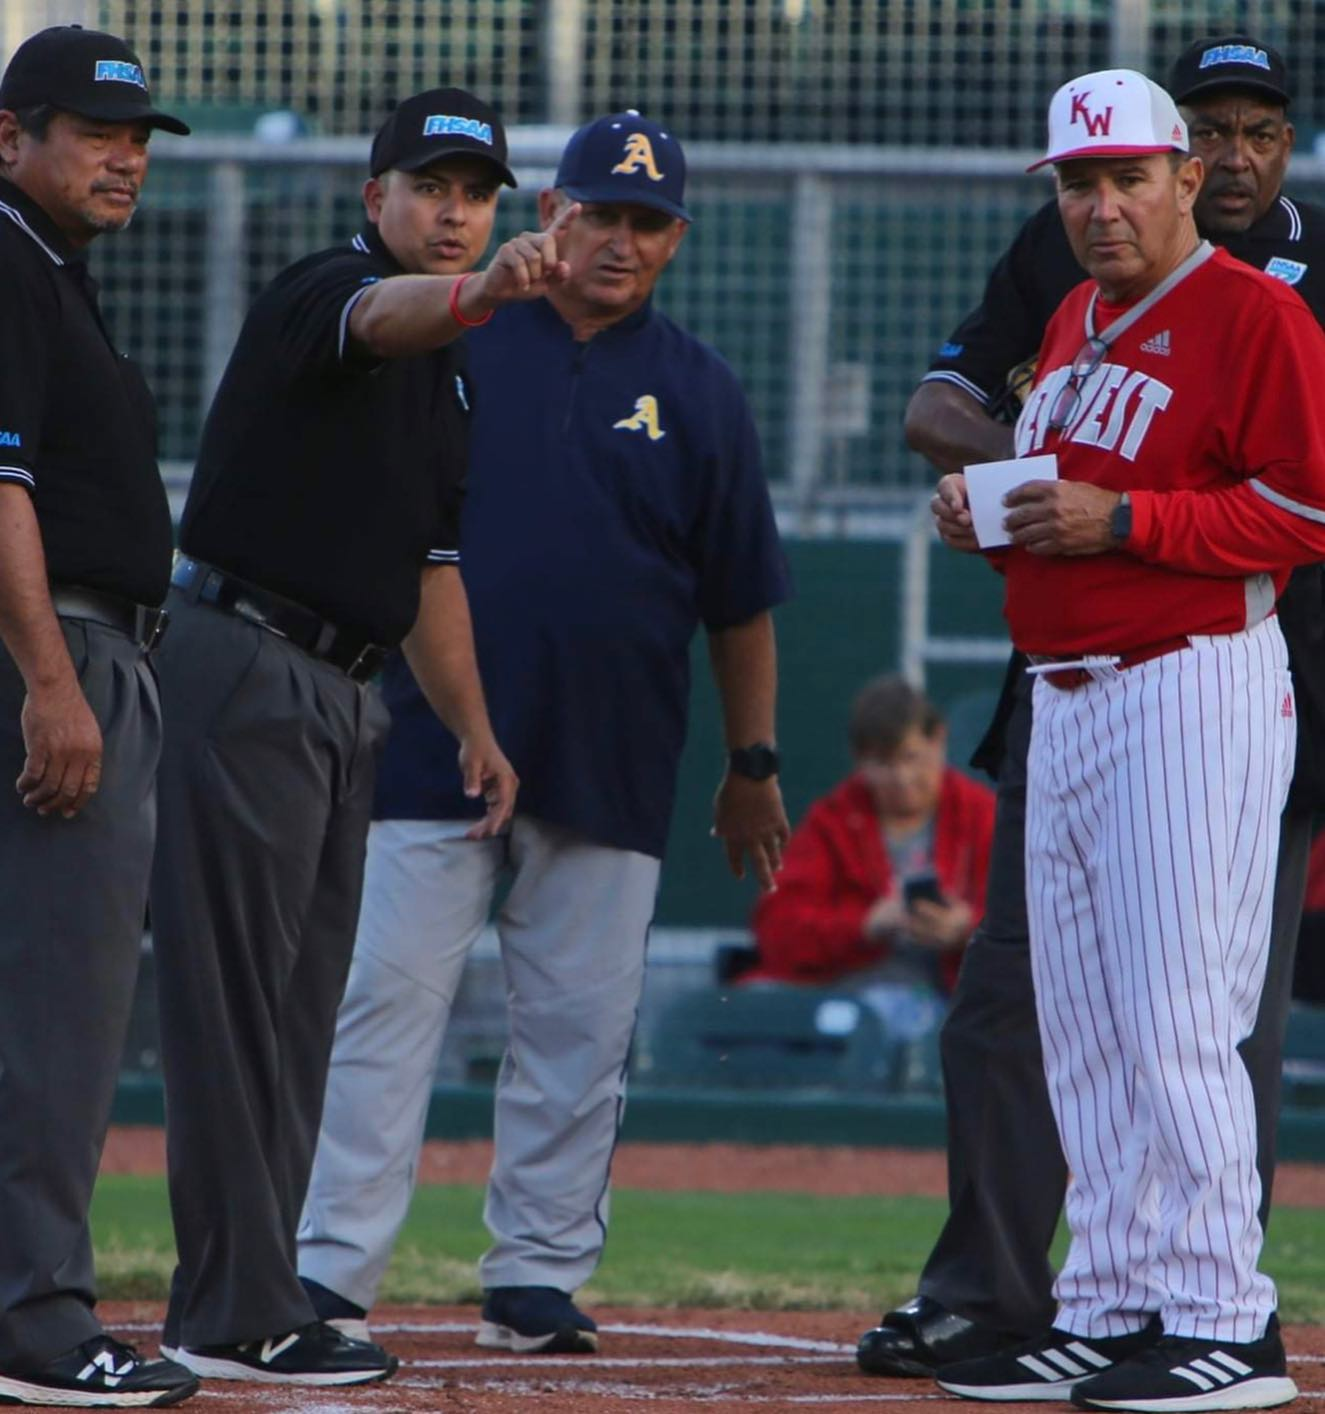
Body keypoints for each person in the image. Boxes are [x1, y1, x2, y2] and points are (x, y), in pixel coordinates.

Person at [859, 34, 1325, 1379]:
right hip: (1066, 696)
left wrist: (1118, 513)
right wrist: (986, 511)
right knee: (1083, 1025)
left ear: (1185, 178)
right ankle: (1110, 1305)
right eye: (1075, 182)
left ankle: (1223, 1316)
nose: (1097, 205)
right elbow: (1062, 510)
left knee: (1178, 1017)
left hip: (1189, 684)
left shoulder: (1257, 315)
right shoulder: (1070, 320)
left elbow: (1302, 505)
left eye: (1124, 176)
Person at [295, 111, 791, 1358]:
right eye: (597, 212)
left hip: (613, 751)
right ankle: (328, 1266)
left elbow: (739, 603)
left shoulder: (701, 389)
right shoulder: (454, 339)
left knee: (576, 1031)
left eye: (645, 220)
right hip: (423, 741)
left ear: (674, 237)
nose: (618, 239)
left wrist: (752, 763)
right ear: (550, 216)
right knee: (381, 1007)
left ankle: (533, 1270)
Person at [148, 88, 579, 1386]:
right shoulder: (331, 290)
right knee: (240, 1006)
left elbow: (429, 565)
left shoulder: (450, 368)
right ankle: (227, 1307)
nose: (454, 211)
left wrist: (475, 726)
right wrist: (482, 292)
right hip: (246, 659)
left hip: (344, 687)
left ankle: (257, 1290)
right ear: (372, 194)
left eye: (476, 191)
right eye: (430, 185)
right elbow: (376, 315)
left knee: (294, 1009)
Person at [0, 26, 201, 1411]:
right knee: (59, 1012)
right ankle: (41, 1318)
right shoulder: (10, 259)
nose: (124, 154)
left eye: (136, 135)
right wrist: (54, 682)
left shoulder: (46, 270)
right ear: (10, 137)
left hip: (74, 640)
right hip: (56, 646)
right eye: (93, 130)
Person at [748, 674, 993, 997]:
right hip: (851, 987)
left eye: (911, 758)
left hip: (958, 994)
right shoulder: (832, 822)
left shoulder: (981, 813)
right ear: (860, 761)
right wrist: (866, 925)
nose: (902, 778)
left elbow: (1027, 920)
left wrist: (966, 929)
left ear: (938, 742)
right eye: (884, 763)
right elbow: (778, 929)